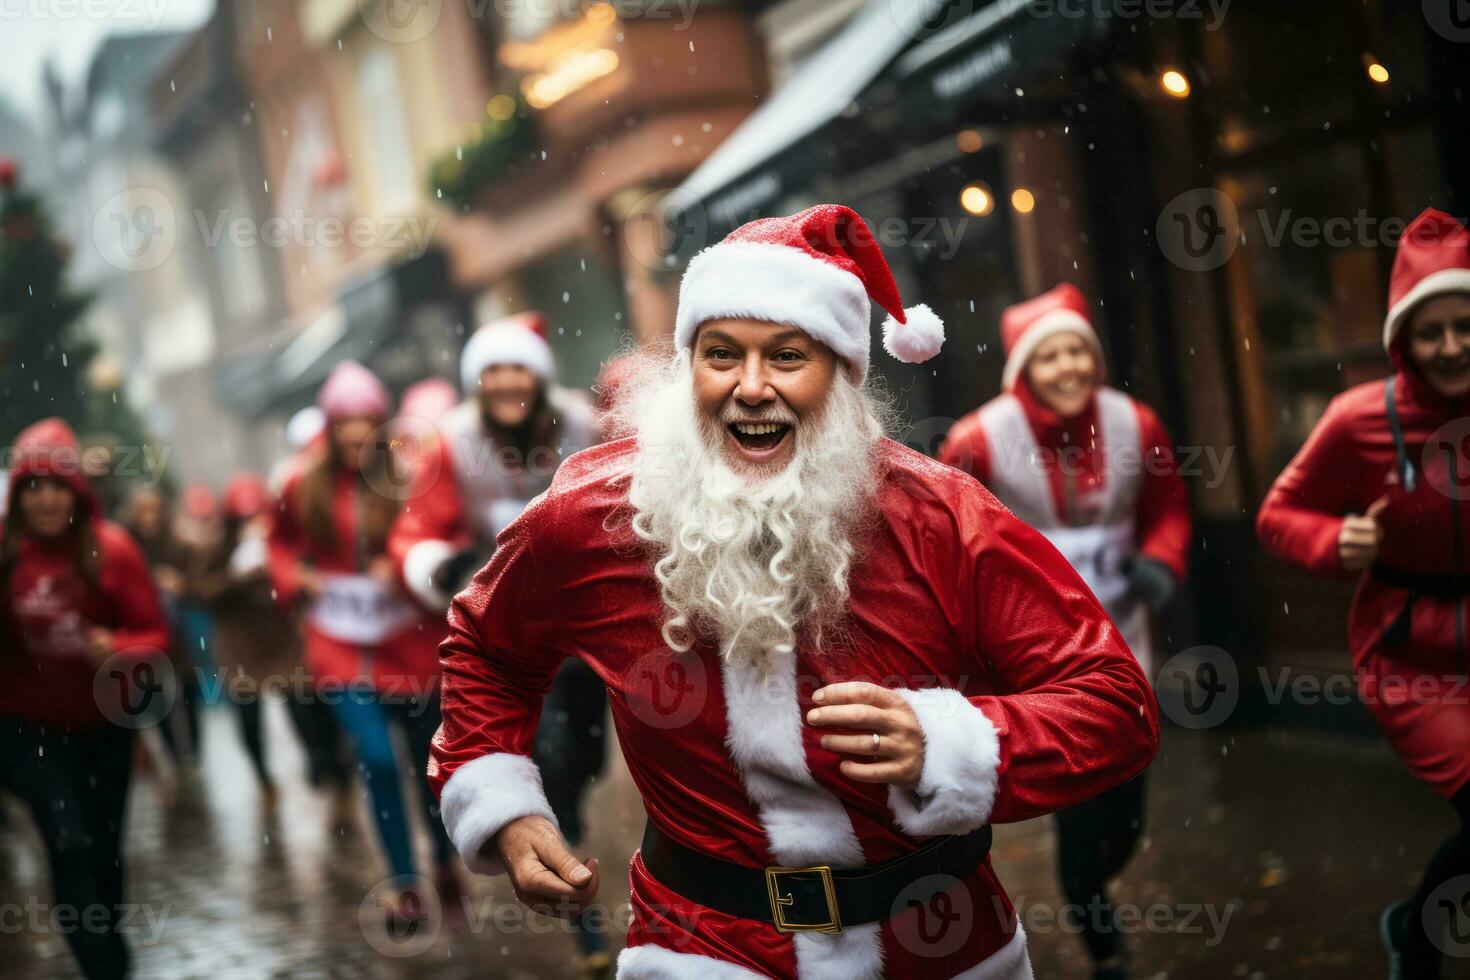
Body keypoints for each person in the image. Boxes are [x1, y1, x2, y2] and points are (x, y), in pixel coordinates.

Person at [428, 205, 1159, 977]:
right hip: (704, 947)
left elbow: (1115, 704)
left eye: (786, 356)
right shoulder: (590, 517)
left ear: (841, 373)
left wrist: (947, 742)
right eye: (720, 355)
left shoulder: (945, 519)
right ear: (688, 367)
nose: (750, 388)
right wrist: (505, 808)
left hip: (943, 943)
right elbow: (486, 646)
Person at [940, 283, 1191, 978]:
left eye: (1080, 351)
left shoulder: (1135, 423)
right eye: (1051, 357)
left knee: (1129, 812)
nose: (1070, 368)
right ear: (1023, 371)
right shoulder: (979, 438)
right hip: (1039, 661)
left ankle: (1097, 880)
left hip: (1126, 637)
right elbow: (948, 537)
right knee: (1082, 808)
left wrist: (1162, 561)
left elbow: (1168, 503)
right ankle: (1100, 938)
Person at [1257, 208, 1470, 980]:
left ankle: (1414, 922)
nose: (1450, 347)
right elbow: (1278, 515)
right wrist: (1335, 541)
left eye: (1464, 325)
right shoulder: (1359, 418)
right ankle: (1419, 945)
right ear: (1402, 340)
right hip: (1409, 649)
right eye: (1430, 331)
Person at [389, 314, 604, 970]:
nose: (508, 383)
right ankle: (583, 914)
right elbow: (414, 529)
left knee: (584, 761)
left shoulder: (582, 425)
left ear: (539, 377)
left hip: (586, 628)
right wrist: (440, 563)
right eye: (494, 372)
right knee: (549, 756)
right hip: (510, 628)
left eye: (519, 370)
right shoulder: (450, 443)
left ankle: (567, 819)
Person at [267, 361, 456, 922]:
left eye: (363, 423)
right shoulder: (302, 481)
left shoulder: (408, 473)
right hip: (339, 639)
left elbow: (441, 536)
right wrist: (294, 578)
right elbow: (277, 544)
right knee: (375, 758)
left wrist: (400, 562)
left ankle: (443, 859)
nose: (353, 435)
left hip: (409, 640)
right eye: (343, 423)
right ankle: (403, 884)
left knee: (430, 764)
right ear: (328, 427)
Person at [0, 418, 170, 980]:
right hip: (28, 731)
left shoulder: (112, 550)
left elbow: (156, 634)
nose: (45, 500)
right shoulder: (6, 558)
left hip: (104, 728)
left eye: (55, 486)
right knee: (67, 842)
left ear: (75, 491)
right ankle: (102, 967)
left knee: (103, 848)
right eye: (32, 488)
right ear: (18, 497)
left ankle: (107, 944)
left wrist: (118, 647)